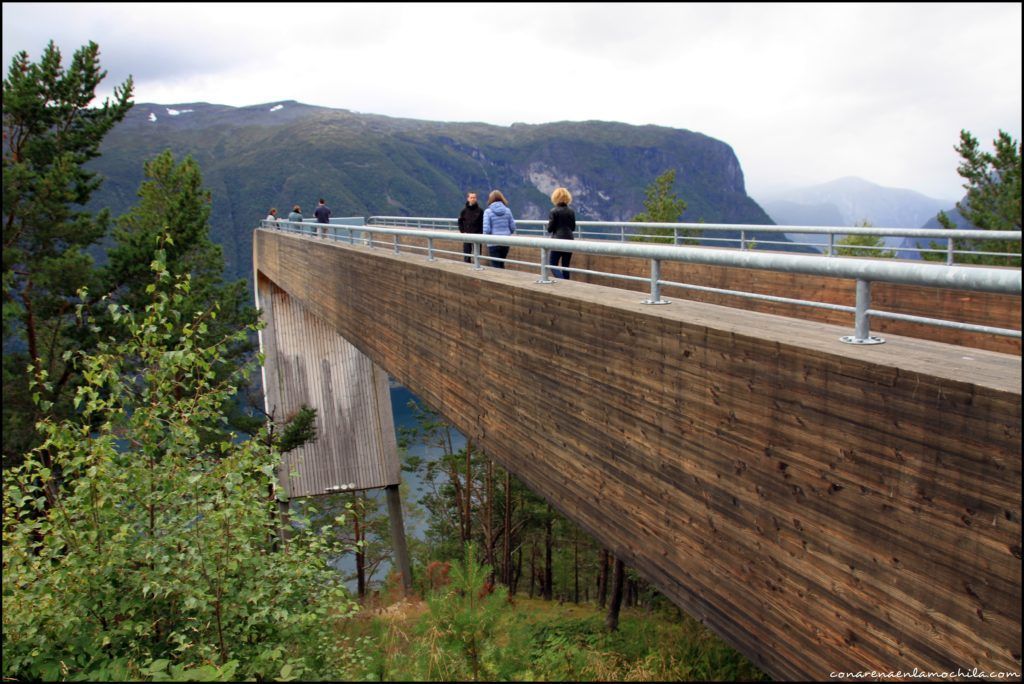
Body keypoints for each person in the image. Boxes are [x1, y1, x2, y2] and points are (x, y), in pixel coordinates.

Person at [546, 187, 576, 279]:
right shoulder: (571, 211)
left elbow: (550, 229)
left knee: (552, 265)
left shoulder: (554, 211)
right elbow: (573, 228)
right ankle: (567, 284)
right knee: (565, 266)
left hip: (557, 241)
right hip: (570, 239)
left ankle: (562, 281)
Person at [482, 190, 515, 268]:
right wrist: (506, 233)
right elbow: (513, 227)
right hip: (505, 241)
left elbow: (486, 230)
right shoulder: (508, 210)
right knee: (501, 263)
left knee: (496, 266)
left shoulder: (488, 212)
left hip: (493, 242)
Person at [457, 191, 484, 263]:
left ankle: (477, 267)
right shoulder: (464, 211)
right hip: (467, 235)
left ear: (476, 199)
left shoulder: (480, 211)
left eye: (474, 197)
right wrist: (462, 231)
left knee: (477, 255)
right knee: (466, 255)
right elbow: (460, 221)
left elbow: (483, 223)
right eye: (471, 197)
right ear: (468, 199)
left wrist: (481, 233)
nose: (473, 199)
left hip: (477, 235)